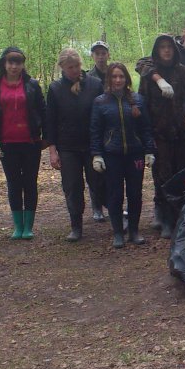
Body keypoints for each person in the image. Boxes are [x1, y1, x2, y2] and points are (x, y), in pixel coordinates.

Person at [136, 34, 185, 238]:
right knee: (162, 177)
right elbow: (143, 104)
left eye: (169, 47)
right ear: (157, 51)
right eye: (162, 47)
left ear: (175, 50)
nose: (166, 50)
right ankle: (166, 218)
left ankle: (181, 217)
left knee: (182, 177)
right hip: (160, 136)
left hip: (184, 136)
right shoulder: (150, 76)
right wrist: (146, 136)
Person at [90, 62, 155, 248]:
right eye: (114, 76)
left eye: (121, 76)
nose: (118, 80)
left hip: (135, 155)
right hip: (112, 155)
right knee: (115, 194)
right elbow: (95, 131)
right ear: (109, 79)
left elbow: (146, 128)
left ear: (126, 78)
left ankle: (134, 231)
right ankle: (118, 232)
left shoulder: (138, 100)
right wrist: (97, 155)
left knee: (135, 193)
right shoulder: (100, 102)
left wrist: (149, 150)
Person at [0, 46, 46, 240]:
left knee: (30, 182)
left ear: (22, 65)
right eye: (10, 62)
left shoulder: (32, 85)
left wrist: (47, 137)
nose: (14, 66)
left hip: (31, 142)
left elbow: (43, 112)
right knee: (13, 183)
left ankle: (28, 227)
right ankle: (17, 226)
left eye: (18, 62)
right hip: (6, 143)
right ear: (4, 64)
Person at [46, 48, 105, 242]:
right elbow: (50, 122)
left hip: (93, 145)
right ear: (62, 68)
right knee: (72, 186)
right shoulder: (55, 89)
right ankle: (76, 225)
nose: (75, 70)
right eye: (70, 67)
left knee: (99, 182)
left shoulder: (95, 85)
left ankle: (109, 213)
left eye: (77, 66)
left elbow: (104, 114)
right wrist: (52, 151)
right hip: (67, 147)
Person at [85, 40, 112, 221]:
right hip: (95, 126)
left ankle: (112, 203)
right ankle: (96, 206)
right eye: (97, 54)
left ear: (108, 55)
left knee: (112, 169)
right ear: (92, 56)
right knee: (95, 171)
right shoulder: (88, 77)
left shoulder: (115, 74)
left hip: (112, 127)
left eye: (103, 53)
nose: (100, 57)